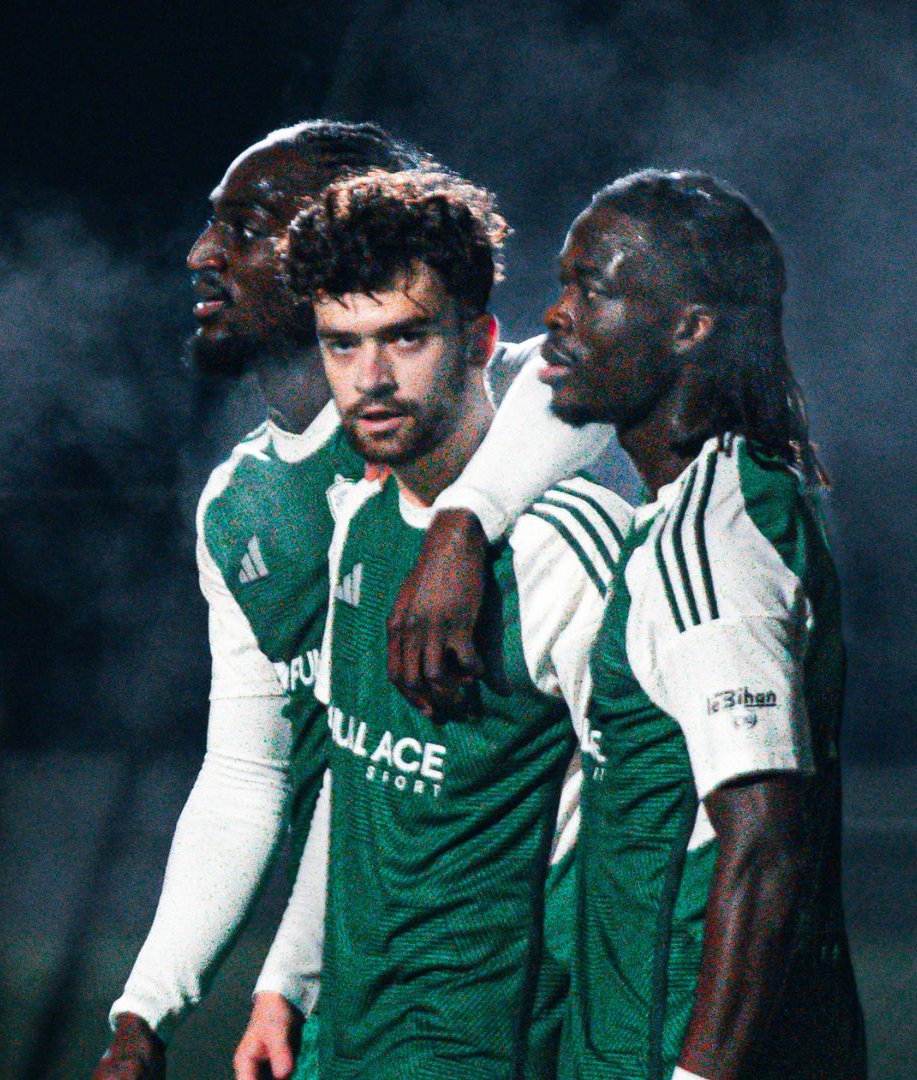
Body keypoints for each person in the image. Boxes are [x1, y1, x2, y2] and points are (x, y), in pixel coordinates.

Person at [94, 122, 601, 1080]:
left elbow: (573, 384)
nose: (203, 254)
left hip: (502, 1001)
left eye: (246, 228)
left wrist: (464, 522)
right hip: (352, 981)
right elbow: (257, 773)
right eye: (212, 225)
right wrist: (153, 1007)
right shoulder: (244, 507)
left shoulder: (461, 413)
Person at [391, 169, 866, 1078]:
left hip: (661, 1052)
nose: (558, 314)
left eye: (593, 289)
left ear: (690, 329)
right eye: (562, 284)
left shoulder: (712, 541)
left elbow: (766, 848)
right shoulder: (725, 498)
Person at [237, 167, 631, 1079]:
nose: (371, 378)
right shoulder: (359, 523)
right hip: (349, 1041)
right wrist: (285, 984)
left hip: (488, 1048)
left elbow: (655, 814)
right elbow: (357, 776)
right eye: (342, 344)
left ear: (481, 341)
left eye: (406, 337)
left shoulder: (560, 545)